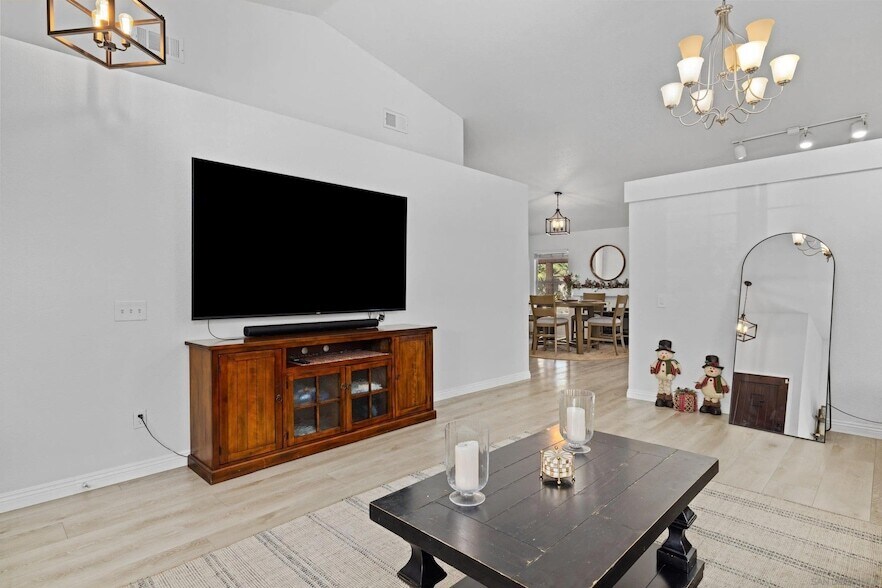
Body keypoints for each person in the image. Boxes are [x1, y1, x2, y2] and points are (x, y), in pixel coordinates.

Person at [650, 340, 680, 408]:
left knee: (667, 387)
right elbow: (653, 366)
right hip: (660, 376)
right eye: (662, 353)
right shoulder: (657, 361)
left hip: (668, 377)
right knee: (660, 386)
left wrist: (677, 369)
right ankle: (660, 398)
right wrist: (652, 369)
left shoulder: (671, 362)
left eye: (666, 353)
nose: (663, 355)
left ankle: (668, 399)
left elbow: (675, 367)